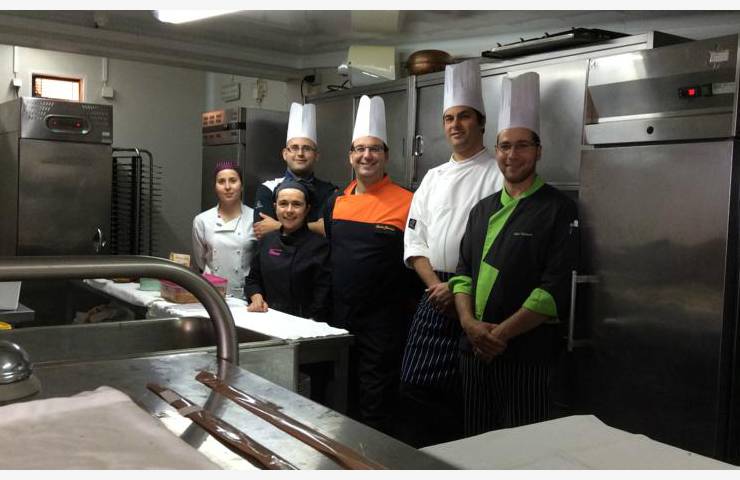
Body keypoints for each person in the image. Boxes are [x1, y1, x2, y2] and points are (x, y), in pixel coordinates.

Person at [450, 72, 578, 436]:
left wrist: (500, 335)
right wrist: (470, 326)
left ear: (538, 151)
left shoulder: (557, 208)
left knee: (524, 446)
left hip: (527, 354)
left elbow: (552, 290)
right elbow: (463, 275)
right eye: (505, 146)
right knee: (476, 441)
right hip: (475, 351)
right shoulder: (482, 209)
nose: (512, 155)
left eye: (522, 146)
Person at [398, 59, 504, 447]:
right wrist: (435, 286)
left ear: (481, 122)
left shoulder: (497, 174)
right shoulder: (432, 177)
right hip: (434, 292)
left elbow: (497, 246)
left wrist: (457, 288)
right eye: (448, 118)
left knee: (468, 394)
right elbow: (415, 241)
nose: (455, 125)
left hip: (476, 294)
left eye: (464, 116)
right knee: (415, 385)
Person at [323, 95, 419, 435]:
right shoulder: (335, 201)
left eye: (375, 149)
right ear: (350, 156)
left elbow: (416, 258)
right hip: (340, 318)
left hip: (385, 322)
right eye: (360, 149)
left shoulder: (408, 201)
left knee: (376, 400)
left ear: (386, 156)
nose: (367, 155)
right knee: (341, 394)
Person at [243, 181, 331, 323]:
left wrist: (310, 321)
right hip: (268, 319)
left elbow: (323, 297)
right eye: (283, 204)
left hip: (306, 325)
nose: (289, 210)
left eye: (296, 204)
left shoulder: (320, 247)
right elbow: (253, 280)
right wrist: (256, 296)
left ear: (307, 209)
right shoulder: (267, 241)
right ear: (275, 207)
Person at [253, 102, 337, 239]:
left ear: (316, 155)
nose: (300, 154)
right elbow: (263, 232)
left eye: (307, 148)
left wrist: (278, 226)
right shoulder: (267, 189)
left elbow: (328, 231)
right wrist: (313, 227)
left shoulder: (329, 192)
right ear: (285, 154)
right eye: (294, 148)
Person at [192, 161, 258, 299]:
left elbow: (259, 262)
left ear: (241, 186)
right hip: (211, 294)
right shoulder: (202, 220)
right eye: (221, 181)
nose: (227, 187)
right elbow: (200, 260)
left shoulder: (254, 218)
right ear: (215, 187)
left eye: (233, 180)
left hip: (245, 297)